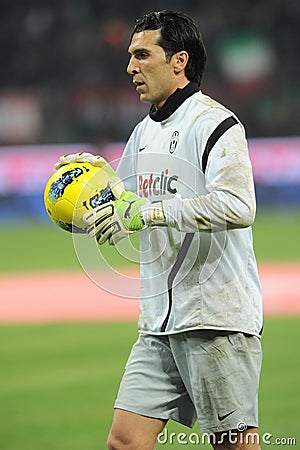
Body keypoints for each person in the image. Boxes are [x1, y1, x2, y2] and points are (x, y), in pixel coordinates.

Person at [56, 10, 263, 450]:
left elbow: (240, 206)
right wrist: (85, 184)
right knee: (124, 442)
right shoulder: (142, 134)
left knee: (234, 445)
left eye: (142, 54)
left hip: (214, 320)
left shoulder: (216, 124)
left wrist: (150, 213)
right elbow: (124, 200)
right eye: (131, 56)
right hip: (158, 325)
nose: (130, 67)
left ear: (179, 61)